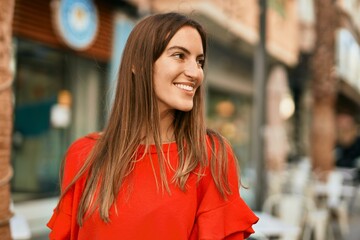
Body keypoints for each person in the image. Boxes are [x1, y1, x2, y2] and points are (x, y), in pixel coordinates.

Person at [47, 12, 258, 240]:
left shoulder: (210, 156)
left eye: (200, 62)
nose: (195, 73)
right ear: (138, 64)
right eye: (179, 55)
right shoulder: (83, 154)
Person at [335, 112, 360, 183]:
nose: (342, 134)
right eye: (339, 130)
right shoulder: (335, 147)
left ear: (355, 129)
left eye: (346, 130)